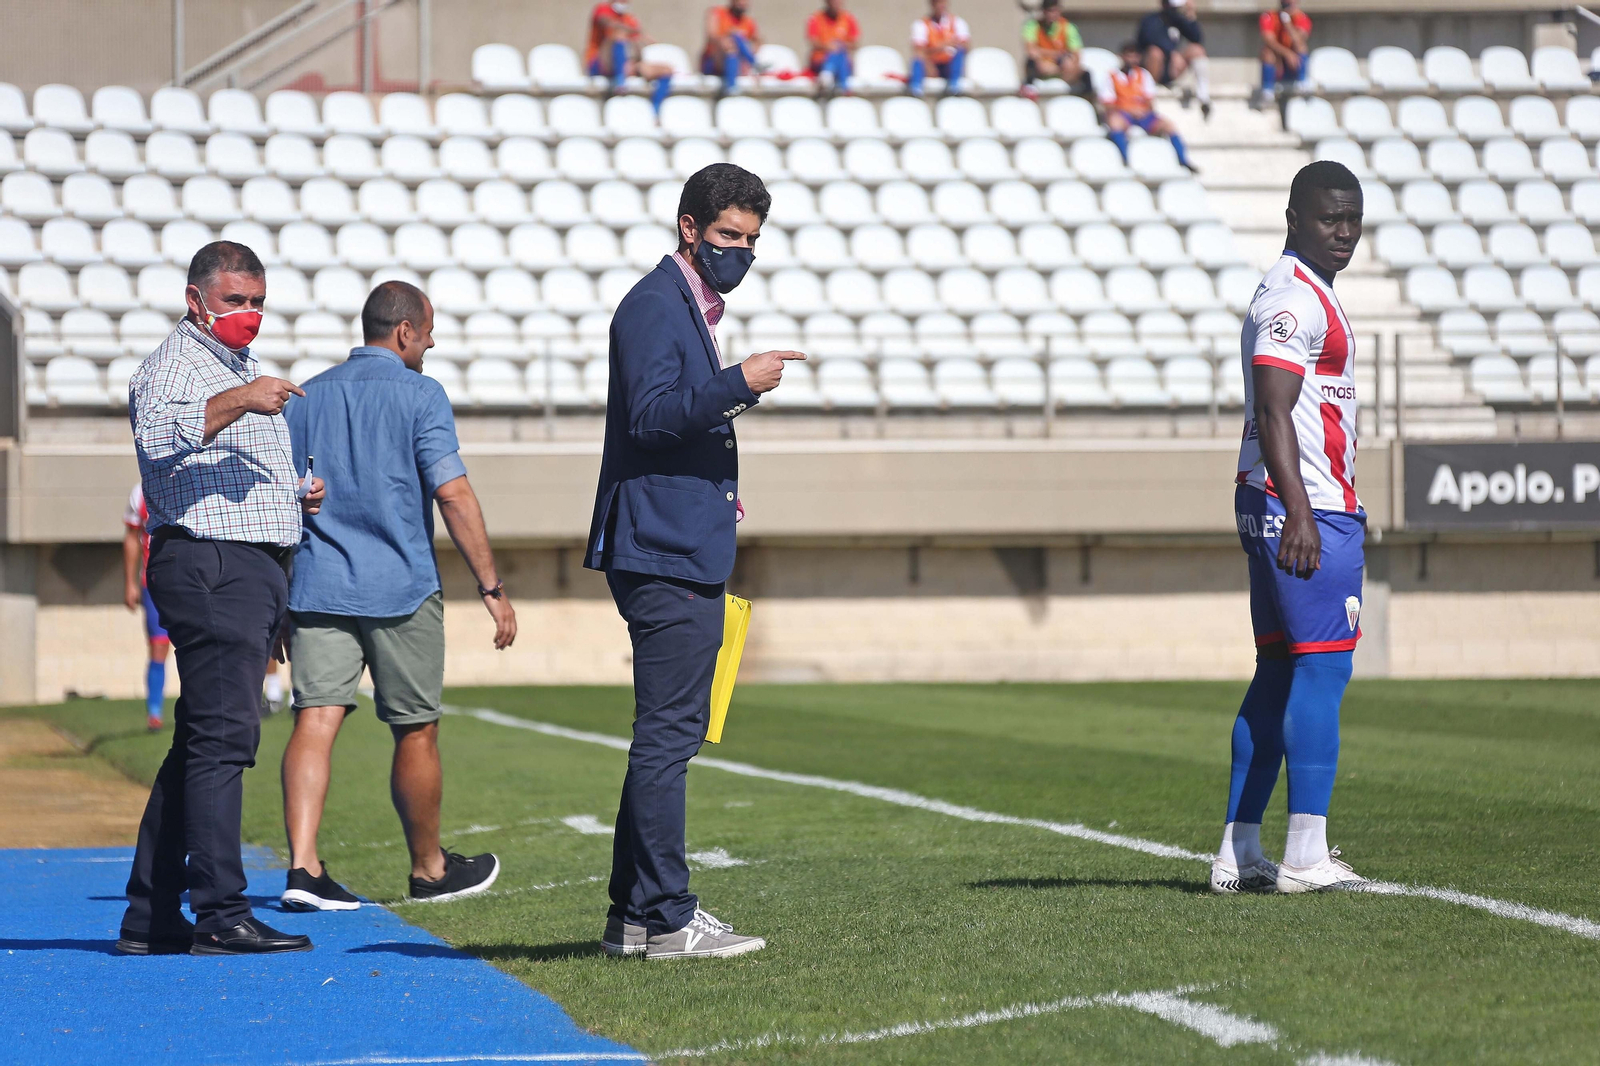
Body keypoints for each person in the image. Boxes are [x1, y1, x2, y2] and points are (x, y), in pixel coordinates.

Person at [585, 163, 803, 959]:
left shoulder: (684, 305)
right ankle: (671, 916)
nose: (740, 252)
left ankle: (634, 917)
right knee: (668, 737)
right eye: (727, 237)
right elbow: (649, 417)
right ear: (689, 228)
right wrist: (736, 384)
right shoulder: (654, 305)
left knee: (663, 735)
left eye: (750, 241)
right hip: (662, 551)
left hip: (675, 545)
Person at [277, 280, 515, 911]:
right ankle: (430, 869)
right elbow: (453, 493)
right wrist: (491, 587)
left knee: (315, 718)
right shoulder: (421, 393)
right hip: (400, 590)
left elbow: (280, 498)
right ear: (405, 331)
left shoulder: (306, 395)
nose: (431, 342)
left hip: (317, 585)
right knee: (415, 730)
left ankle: (302, 869)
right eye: (428, 330)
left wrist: (280, 591)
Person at [119, 240, 326, 957]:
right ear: (196, 298)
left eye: (258, 301)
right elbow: (157, 437)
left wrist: (296, 500)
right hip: (210, 564)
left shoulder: (228, 364)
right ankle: (220, 912)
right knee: (225, 739)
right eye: (236, 300)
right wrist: (242, 399)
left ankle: (150, 914)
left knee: (201, 739)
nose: (249, 314)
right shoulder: (175, 367)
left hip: (244, 565)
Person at [1213, 160, 1370, 896]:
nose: (1344, 232)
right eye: (1329, 219)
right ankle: (1306, 853)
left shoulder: (1306, 292)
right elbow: (1275, 409)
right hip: (1306, 506)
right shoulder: (1293, 299)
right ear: (1294, 220)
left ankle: (1239, 851)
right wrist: (1301, 508)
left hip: (1274, 499)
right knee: (1323, 667)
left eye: (1352, 219)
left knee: (1278, 669)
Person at [1099, 40, 1198, 174]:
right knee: (1114, 123)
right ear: (1121, 57)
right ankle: (1126, 159)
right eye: (1129, 55)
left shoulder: (1144, 75)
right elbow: (1108, 103)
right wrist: (1129, 109)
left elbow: (1150, 101)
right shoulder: (1112, 76)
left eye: (1135, 56)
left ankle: (1183, 160)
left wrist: (1142, 111)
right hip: (1123, 113)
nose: (1132, 59)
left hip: (1143, 114)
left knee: (1169, 125)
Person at [121, 483, 170, 732]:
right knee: (158, 646)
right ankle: (155, 713)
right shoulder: (139, 493)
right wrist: (130, 583)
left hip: (187, 580)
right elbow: (131, 538)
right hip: (152, 583)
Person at [585, 0, 677, 113]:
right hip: (599, 63)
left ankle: (655, 110)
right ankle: (620, 82)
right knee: (619, 35)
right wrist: (632, 30)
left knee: (665, 70)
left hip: (627, 63)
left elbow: (641, 40)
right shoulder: (602, 9)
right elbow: (607, 22)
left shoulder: (628, 18)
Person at [1135, 0, 1211, 119]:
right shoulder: (1151, 19)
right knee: (1156, 53)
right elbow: (1148, 40)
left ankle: (1203, 95)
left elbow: (1197, 38)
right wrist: (1170, 52)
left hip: (1172, 68)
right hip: (1153, 67)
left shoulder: (1179, 21)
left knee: (1197, 50)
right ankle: (1150, 93)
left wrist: (1191, 17)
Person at [1020, 0, 1084, 101]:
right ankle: (1030, 89)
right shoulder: (1033, 25)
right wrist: (1056, 54)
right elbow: (1031, 50)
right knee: (1034, 62)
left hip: (1061, 68)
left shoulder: (1067, 27)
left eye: (1055, 11)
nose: (1052, 15)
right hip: (1040, 68)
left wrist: (1058, 67)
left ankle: (1087, 99)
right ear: (1043, 12)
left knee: (1077, 68)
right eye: (1049, 11)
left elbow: (1076, 54)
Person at [908, 0, 970, 98]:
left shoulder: (957, 22)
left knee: (959, 54)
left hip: (949, 63)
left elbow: (965, 46)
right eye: (937, 3)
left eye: (942, 3)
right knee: (917, 60)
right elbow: (919, 50)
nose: (940, 6)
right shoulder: (922, 24)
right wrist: (940, 47)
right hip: (931, 62)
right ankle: (916, 89)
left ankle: (954, 85)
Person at [701, 2, 763, 98]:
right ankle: (754, 64)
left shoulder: (748, 21)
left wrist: (752, 48)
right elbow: (712, 36)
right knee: (732, 43)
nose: (742, 4)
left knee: (737, 39)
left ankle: (733, 84)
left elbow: (758, 41)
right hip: (714, 61)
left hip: (738, 63)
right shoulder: (717, 13)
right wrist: (724, 40)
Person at [1256, 0, 1311, 109]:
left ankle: (1302, 82)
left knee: (1301, 47)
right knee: (1267, 52)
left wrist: (1288, 24)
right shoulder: (1269, 16)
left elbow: (1299, 41)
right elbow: (1269, 40)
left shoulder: (1303, 18)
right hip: (1277, 65)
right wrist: (1287, 53)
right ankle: (1267, 90)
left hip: (1293, 66)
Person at [806, 0, 859, 99]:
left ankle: (827, 74)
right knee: (836, 53)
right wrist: (828, 46)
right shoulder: (816, 18)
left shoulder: (848, 18)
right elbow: (813, 41)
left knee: (839, 52)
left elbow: (855, 43)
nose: (836, 4)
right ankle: (845, 88)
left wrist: (841, 45)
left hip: (842, 61)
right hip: (820, 60)